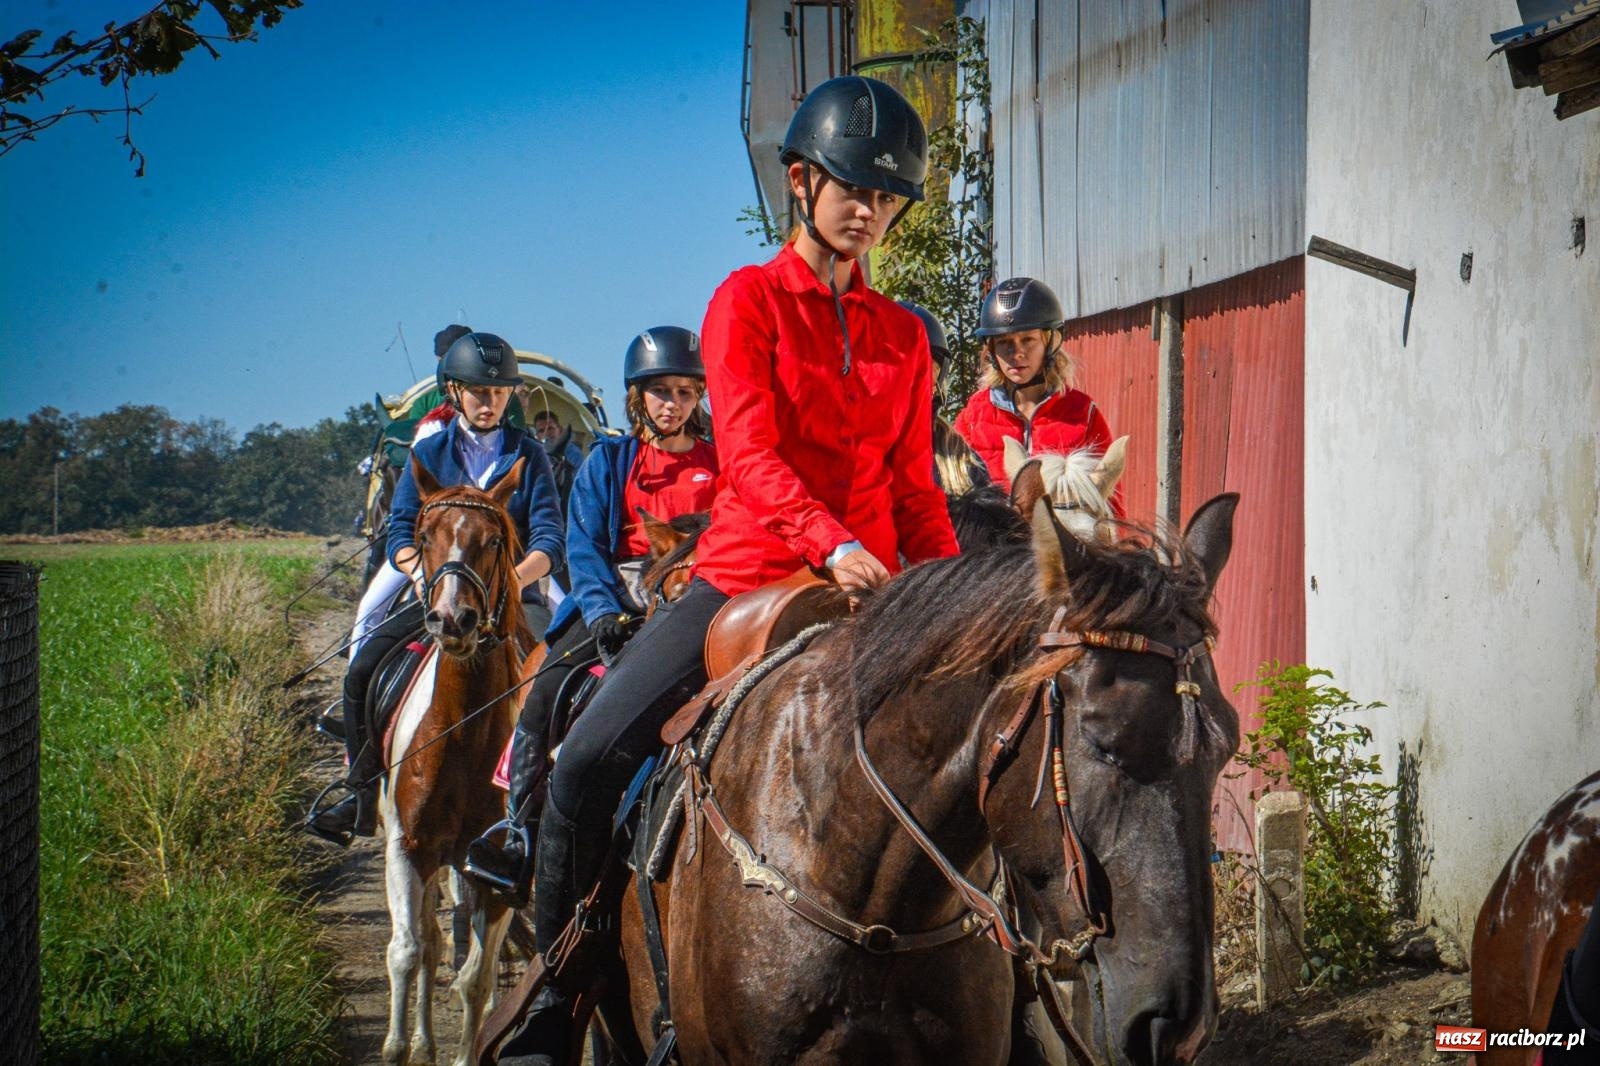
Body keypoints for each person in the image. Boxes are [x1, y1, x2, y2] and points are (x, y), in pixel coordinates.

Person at [494, 75, 959, 1066]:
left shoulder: (903, 336)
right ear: (801, 182)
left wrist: (957, 598)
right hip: (745, 582)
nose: (869, 211)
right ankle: (558, 997)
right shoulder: (745, 302)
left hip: (879, 595)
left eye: (886, 197)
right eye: (852, 188)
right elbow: (748, 455)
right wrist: (832, 542)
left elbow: (917, 490)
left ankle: (1034, 986)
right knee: (583, 763)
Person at [463, 326, 717, 907]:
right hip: (620, 594)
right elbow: (583, 548)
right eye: (661, 392)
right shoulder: (609, 461)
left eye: (685, 392)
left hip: (702, 595)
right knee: (545, 692)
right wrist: (602, 611)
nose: (673, 404)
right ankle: (519, 831)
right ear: (637, 397)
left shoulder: (722, 463)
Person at [304, 331, 565, 846]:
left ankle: (553, 802)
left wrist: (509, 583)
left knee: (566, 665)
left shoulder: (529, 454)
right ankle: (358, 790)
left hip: (512, 583)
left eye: (499, 392)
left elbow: (549, 538)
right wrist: (424, 576)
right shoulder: (429, 450)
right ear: (455, 393)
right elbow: (401, 531)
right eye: (478, 391)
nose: (489, 402)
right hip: (432, 580)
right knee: (363, 655)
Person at [952, 277, 1122, 513]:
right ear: (991, 349)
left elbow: (1110, 505)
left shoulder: (1083, 414)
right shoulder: (973, 418)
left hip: (1062, 535)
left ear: (1050, 342)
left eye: (1028, 340)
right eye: (1004, 342)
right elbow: (953, 498)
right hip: (995, 536)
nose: (1016, 353)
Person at [897, 300, 990, 498]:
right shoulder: (845, 457)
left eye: (921, 369)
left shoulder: (963, 465)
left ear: (937, 381)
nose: (906, 381)